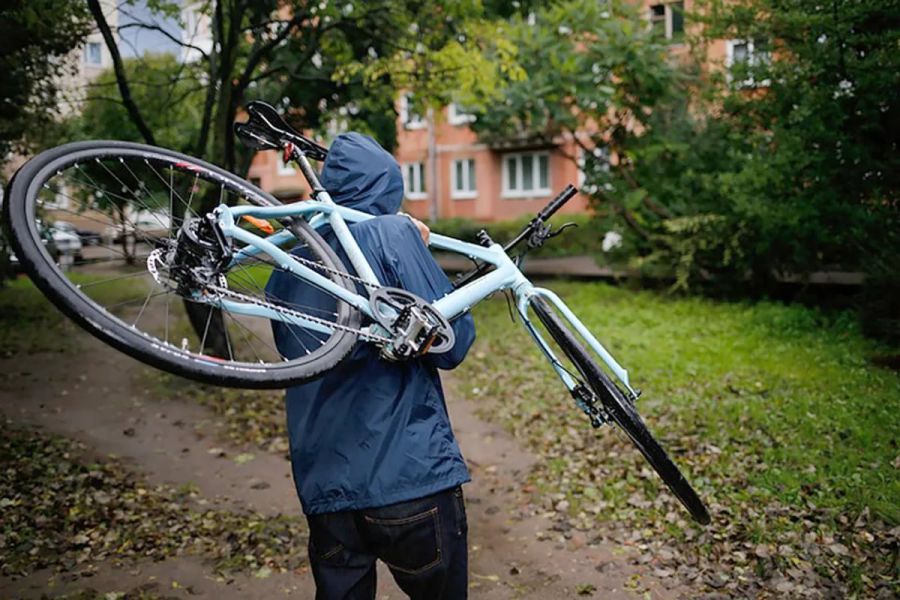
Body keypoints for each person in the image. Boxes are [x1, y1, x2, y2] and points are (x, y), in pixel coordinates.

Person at [265, 132, 476, 600]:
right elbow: (453, 343)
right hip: (410, 478)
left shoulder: (289, 262)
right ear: (388, 187)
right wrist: (412, 246)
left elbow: (296, 354)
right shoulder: (391, 233)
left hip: (326, 492)